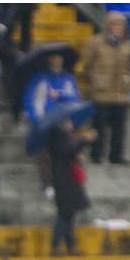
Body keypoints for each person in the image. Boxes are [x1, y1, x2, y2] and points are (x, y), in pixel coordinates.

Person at [23, 51, 82, 196]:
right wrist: (37, 121)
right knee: (44, 156)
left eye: (59, 58)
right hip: (45, 122)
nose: (56, 61)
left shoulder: (68, 79)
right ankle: (47, 185)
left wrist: (60, 95)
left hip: (64, 122)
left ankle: (72, 184)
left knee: (70, 154)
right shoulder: (39, 79)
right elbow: (31, 101)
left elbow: (75, 99)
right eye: (54, 59)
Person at [84, 12, 130, 164]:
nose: (118, 28)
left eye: (120, 25)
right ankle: (96, 155)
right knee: (99, 125)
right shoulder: (96, 43)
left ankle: (116, 155)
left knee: (119, 127)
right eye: (115, 25)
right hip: (101, 92)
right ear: (108, 26)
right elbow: (87, 64)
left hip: (120, 92)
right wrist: (94, 79)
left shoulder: (128, 45)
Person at [49, 119, 97, 255]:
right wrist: (85, 139)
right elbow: (67, 151)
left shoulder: (62, 135)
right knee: (65, 214)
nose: (70, 123)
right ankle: (55, 245)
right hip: (65, 182)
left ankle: (71, 245)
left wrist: (77, 156)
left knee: (69, 214)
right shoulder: (57, 134)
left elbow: (69, 152)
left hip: (68, 180)